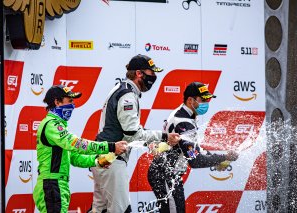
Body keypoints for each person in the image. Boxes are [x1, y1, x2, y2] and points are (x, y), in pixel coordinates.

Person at [90, 54, 180, 213]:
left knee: (100, 210)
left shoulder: (122, 89)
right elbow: (133, 134)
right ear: (139, 73)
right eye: (152, 73)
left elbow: (132, 132)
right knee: (121, 210)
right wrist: (164, 136)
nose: (154, 77)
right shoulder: (128, 95)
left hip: (104, 157)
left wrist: (156, 143)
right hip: (112, 160)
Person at [33, 85, 127, 213]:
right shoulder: (51, 125)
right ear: (57, 102)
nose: (73, 105)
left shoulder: (58, 126)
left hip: (57, 185)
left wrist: (97, 161)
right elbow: (76, 144)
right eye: (70, 101)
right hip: (52, 184)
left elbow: (74, 157)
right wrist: (110, 146)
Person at [147, 82, 239, 213]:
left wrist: (217, 159)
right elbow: (195, 160)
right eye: (203, 100)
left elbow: (196, 148)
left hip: (168, 173)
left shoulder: (186, 114)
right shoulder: (183, 121)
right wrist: (224, 157)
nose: (207, 103)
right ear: (190, 100)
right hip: (164, 174)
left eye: (208, 99)